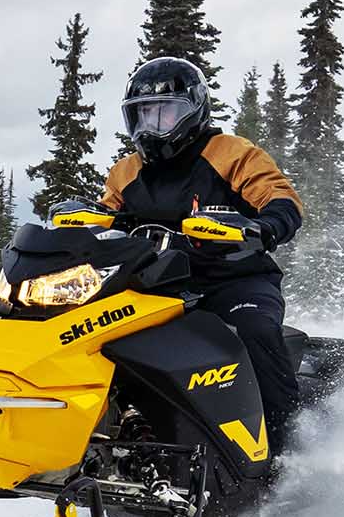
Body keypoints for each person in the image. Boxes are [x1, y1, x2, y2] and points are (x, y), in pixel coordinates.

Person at [99, 54, 306, 441]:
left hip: (232, 280)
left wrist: (261, 227)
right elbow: (104, 216)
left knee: (254, 329)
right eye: (142, 115)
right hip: (154, 284)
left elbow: (280, 197)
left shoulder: (230, 152)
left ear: (193, 111)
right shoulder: (125, 172)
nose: (151, 127)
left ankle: (287, 446)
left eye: (164, 114)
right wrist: (78, 222)